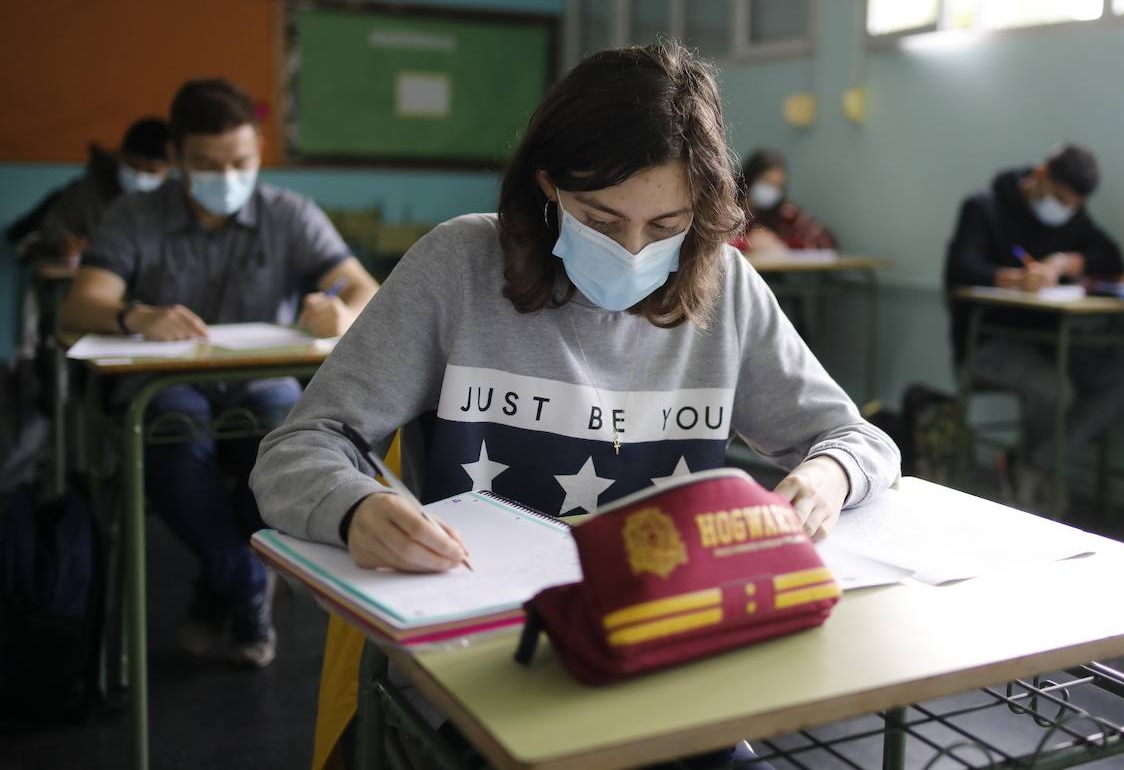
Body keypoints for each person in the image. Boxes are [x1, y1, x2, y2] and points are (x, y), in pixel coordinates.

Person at [250, 43, 898, 765]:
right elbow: (297, 449)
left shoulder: (725, 285)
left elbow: (856, 438)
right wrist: (355, 508)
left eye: (664, 226)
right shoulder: (460, 265)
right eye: (599, 218)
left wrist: (827, 476)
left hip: (666, 666)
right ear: (548, 184)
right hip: (483, 668)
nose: (630, 249)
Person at [60, 78, 380, 668]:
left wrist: (340, 309)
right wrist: (134, 314)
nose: (227, 176)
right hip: (166, 383)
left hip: (264, 380)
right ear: (177, 158)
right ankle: (245, 579)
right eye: (207, 164)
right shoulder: (135, 215)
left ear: (258, 150)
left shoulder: (289, 213)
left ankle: (220, 584)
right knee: (175, 438)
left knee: (289, 443)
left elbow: (364, 287)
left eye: (241, 161)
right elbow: (80, 304)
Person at [942, 143, 1124, 511]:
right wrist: (1016, 279)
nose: (1063, 210)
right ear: (1040, 174)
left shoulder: (1070, 218)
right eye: (1059, 199)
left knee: (1122, 383)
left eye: (1072, 206)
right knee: (1055, 390)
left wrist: (1064, 263)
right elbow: (961, 269)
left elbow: (1112, 259)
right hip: (987, 342)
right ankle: (1030, 479)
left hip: (1051, 341)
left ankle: (1032, 462)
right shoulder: (984, 207)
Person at [15, 118, 172, 264]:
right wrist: (61, 247)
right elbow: (40, 238)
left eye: (151, 171)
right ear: (120, 156)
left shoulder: (176, 202)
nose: (140, 176)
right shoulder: (86, 194)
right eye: (133, 166)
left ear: (169, 168)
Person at [731, 148, 837, 255]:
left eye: (778, 185)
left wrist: (781, 243)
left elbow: (825, 241)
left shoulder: (785, 212)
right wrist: (747, 243)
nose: (771, 190)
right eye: (766, 181)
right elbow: (716, 242)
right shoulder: (727, 208)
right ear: (749, 178)